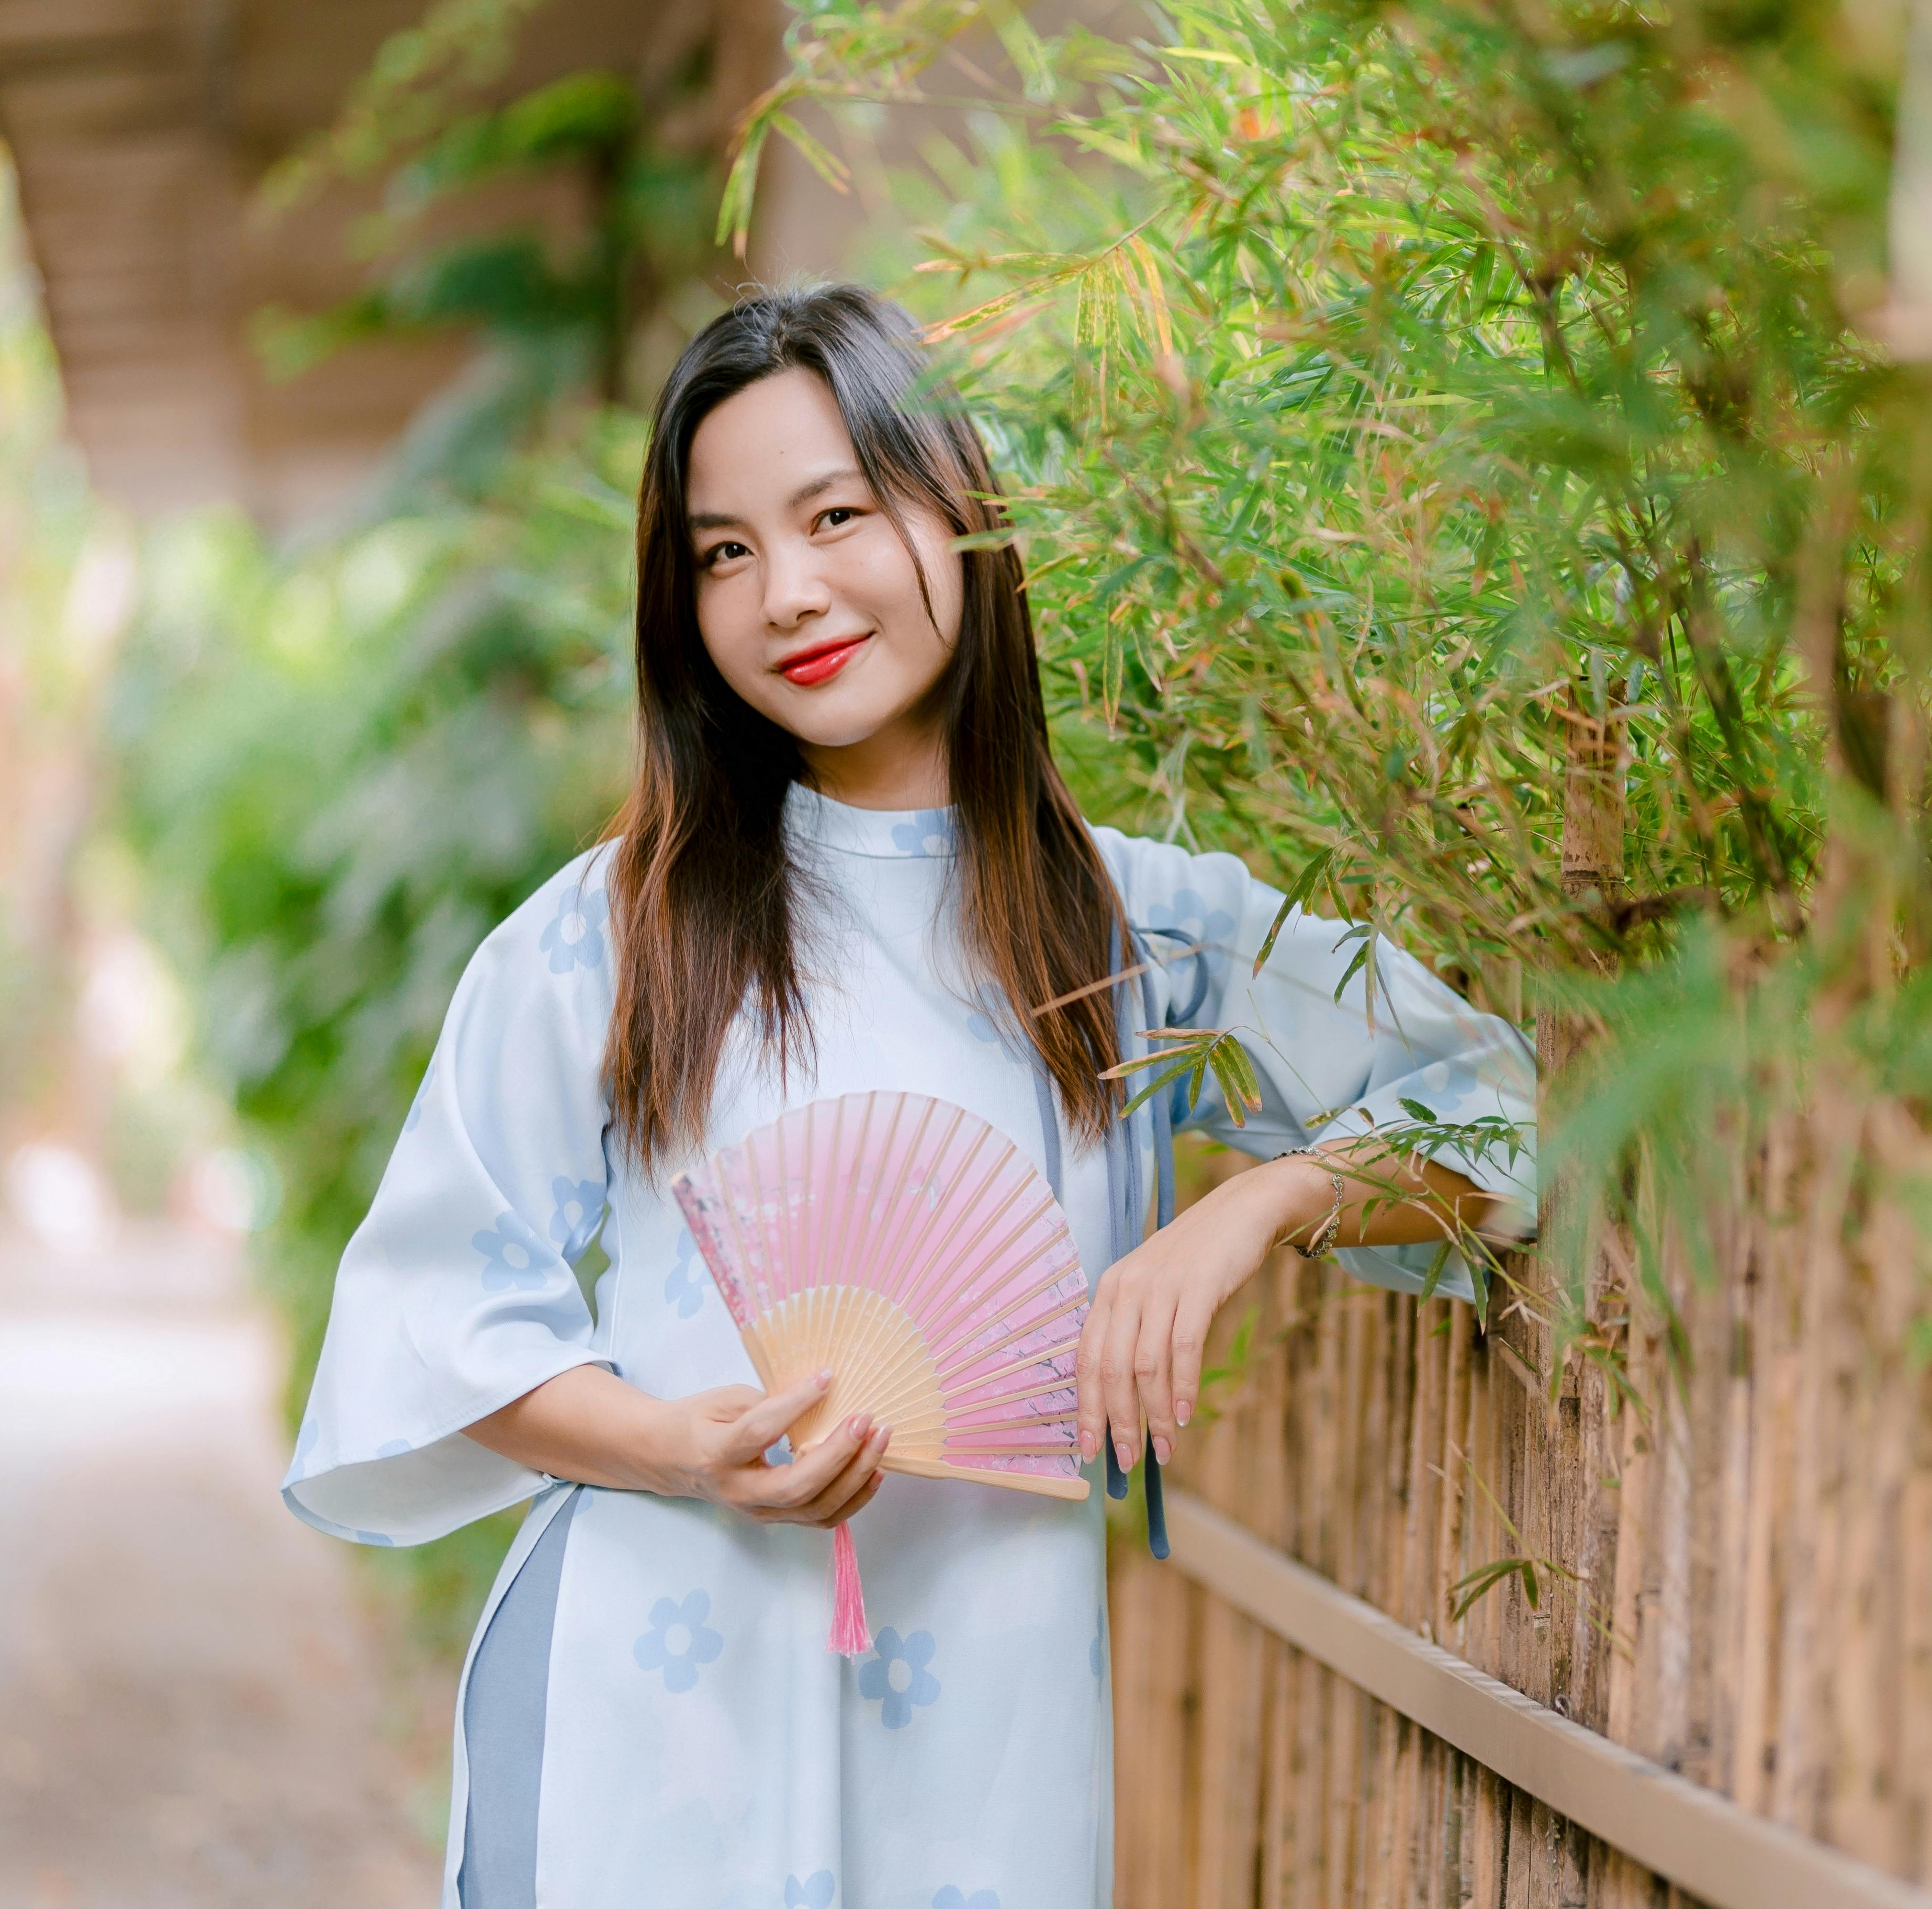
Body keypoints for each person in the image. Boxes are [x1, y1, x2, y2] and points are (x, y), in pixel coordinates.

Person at [276, 284, 1535, 1909]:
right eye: (724, 553)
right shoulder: (607, 933)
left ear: (959, 516)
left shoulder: (1144, 930)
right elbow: (432, 1324)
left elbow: (1494, 1117)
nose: (786, 591)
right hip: (641, 1732)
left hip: (984, 1743)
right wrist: (675, 1445)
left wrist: (1254, 1208)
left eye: (836, 515)